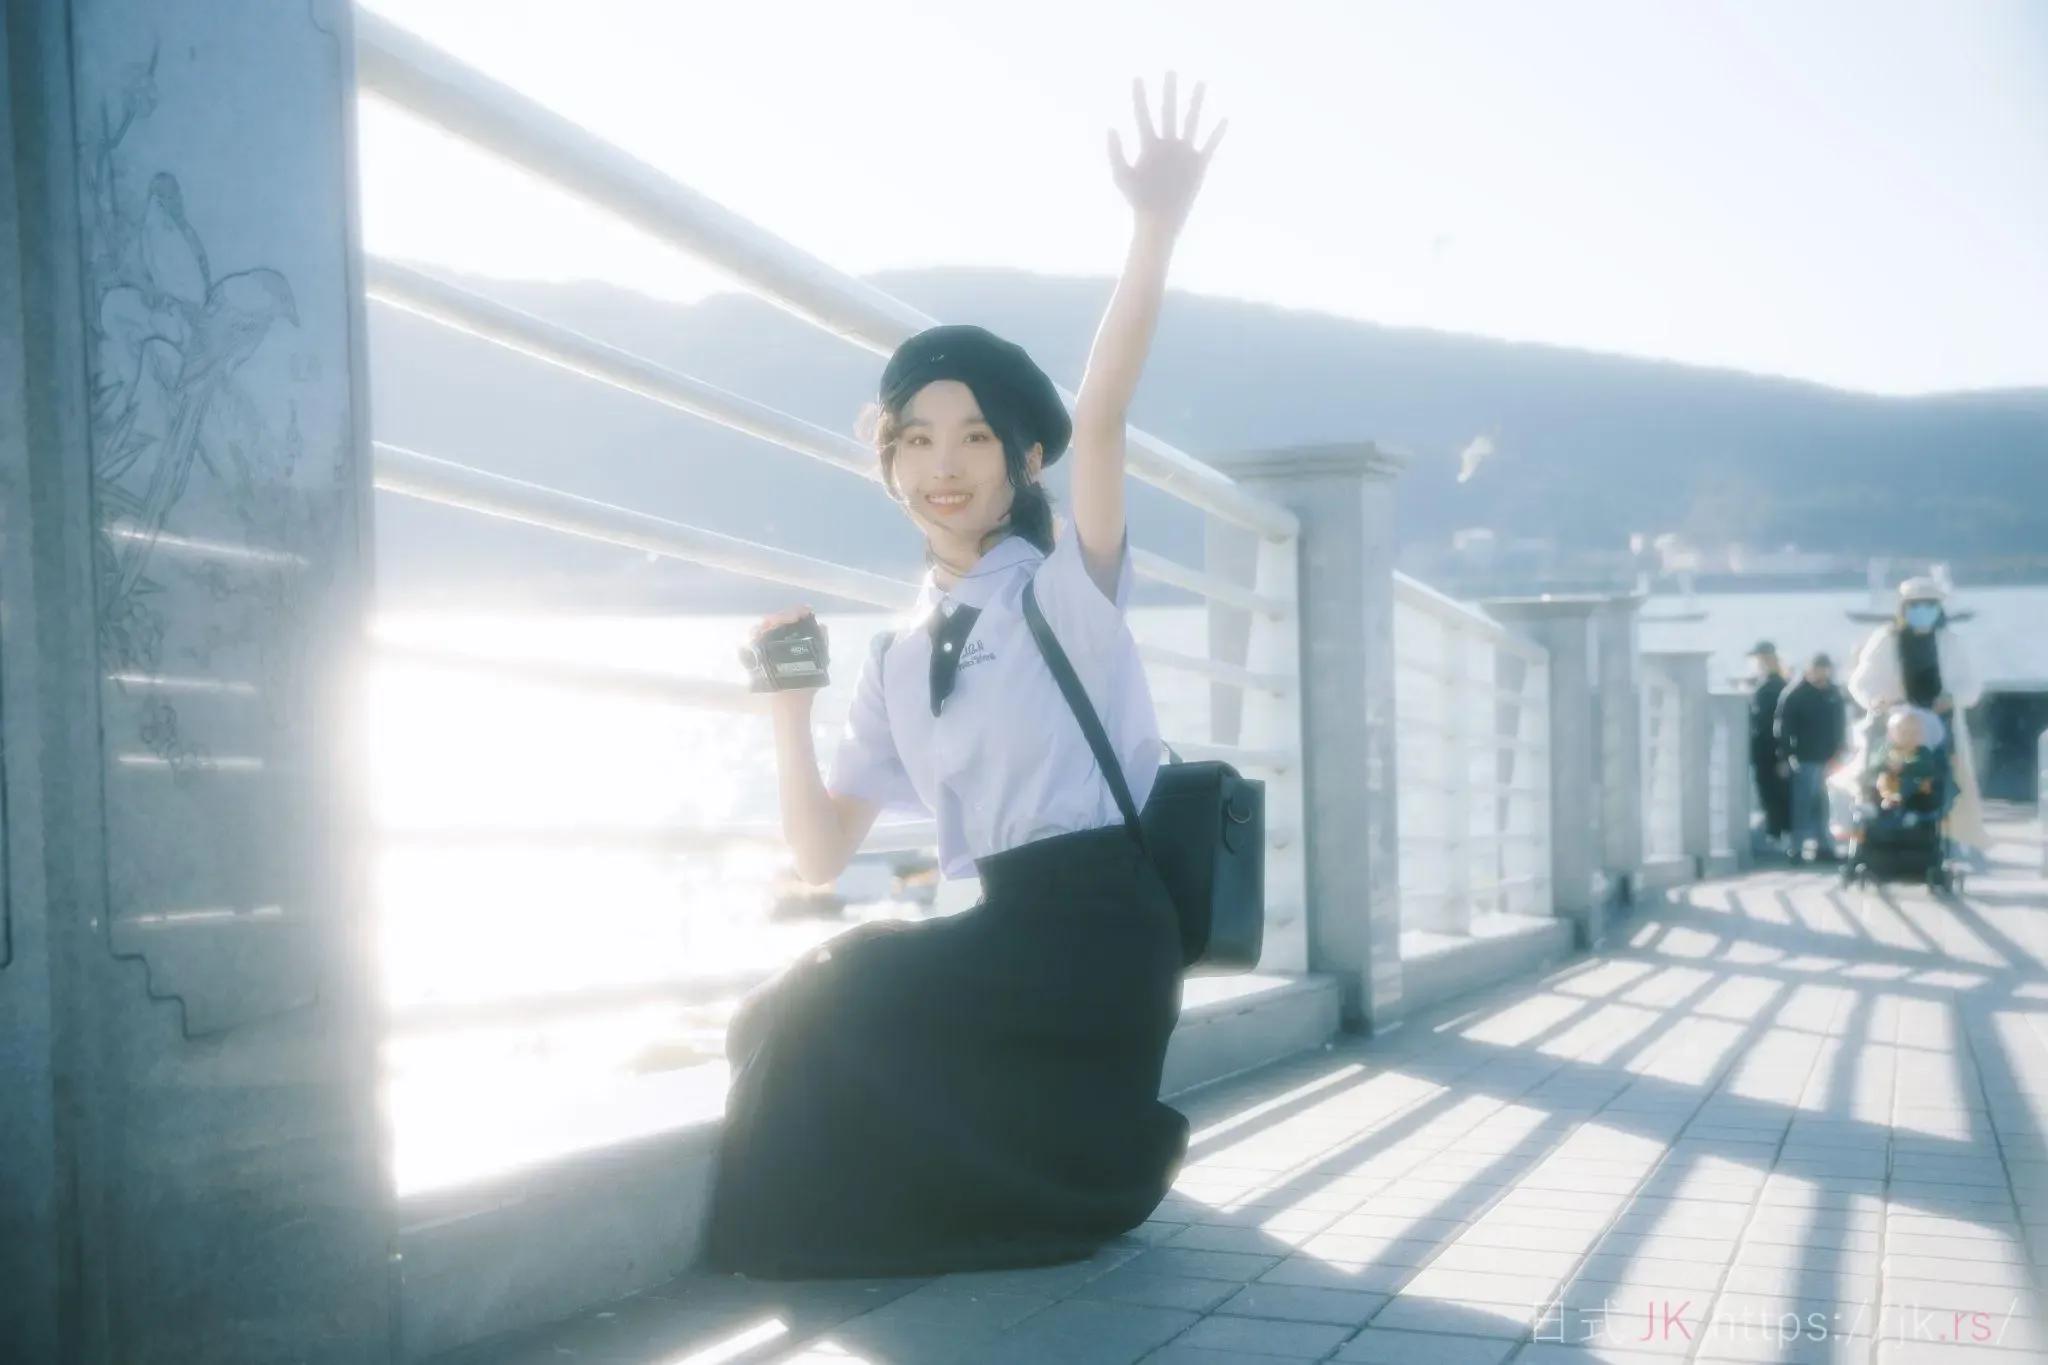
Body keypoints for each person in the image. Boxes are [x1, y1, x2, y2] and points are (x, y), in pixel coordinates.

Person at [702, 76, 1225, 1280]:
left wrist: (1153, 226)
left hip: (1101, 935)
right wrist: (787, 710)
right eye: (916, 439)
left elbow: (1104, 414)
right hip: (1003, 930)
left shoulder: (1064, 590)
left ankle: (994, 1199)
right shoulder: (895, 652)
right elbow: (820, 859)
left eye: (975, 436)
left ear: (1023, 457)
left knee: (841, 991)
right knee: (782, 1004)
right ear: (886, 462)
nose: (943, 466)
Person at [1848, 577, 1989, 864]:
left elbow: (1971, 686)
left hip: (1939, 726)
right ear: (1904, 608)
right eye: (1915, 605)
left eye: (1929, 605)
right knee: (1885, 777)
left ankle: (1945, 842)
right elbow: (1860, 683)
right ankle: (1880, 839)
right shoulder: (1886, 639)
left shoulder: (1951, 642)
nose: (1922, 610)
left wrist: (1952, 698)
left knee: (1945, 781)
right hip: (1896, 726)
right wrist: (1879, 700)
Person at [1775, 652, 1848, 862]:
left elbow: (1840, 726)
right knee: (1803, 804)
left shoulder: (1834, 694)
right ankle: (1797, 849)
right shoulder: (1796, 694)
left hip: (1829, 760)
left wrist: (1840, 752)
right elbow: (1783, 728)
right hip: (1804, 758)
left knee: (1824, 805)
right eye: (1817, 668)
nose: (1821, 673)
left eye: (1824, 668)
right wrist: (1785, 756)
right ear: (1808, 670)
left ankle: (1824, 847)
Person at [1745, 641, 1792, 853]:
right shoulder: (1774, 684)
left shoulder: (1772, 686)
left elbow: (1772, 722)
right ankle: (1776, 835)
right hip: (1767, 750)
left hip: (1768, 751)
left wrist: (1781, 755)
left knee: (1771, 794)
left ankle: (1776, 836)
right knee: (1771, 794)